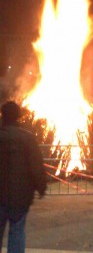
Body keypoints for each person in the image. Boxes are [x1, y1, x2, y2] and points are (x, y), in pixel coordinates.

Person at [0, 101, 47, 253]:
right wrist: (41, 187)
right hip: (20, 197)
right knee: (17, 231)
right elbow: (36, 167)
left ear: (2, 115)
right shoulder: (27, 139)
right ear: (18, 117)